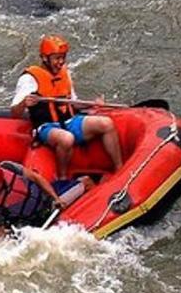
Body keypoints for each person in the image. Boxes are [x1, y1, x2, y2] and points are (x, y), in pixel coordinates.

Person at [9, 34, 122, 182]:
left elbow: (73, 102)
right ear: (44, 58)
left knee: (106, 123)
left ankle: (120, 169)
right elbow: (15, 113)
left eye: (63, 57)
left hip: (69, 121)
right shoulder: (29, 79)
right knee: (66, 138)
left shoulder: (65, 73)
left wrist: (93, 104)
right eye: (56, 58)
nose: (60, 62)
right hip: (46, 127)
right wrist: (24, 103)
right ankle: (63, 178)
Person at [0, 160, 92, 231]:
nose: (1, 184)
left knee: (85, 181)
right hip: (36, 219)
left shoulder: (7, 167)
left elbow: (36, 177)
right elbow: (1, 231)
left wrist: (56, 198)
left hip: (49, 199)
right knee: (85, 181)